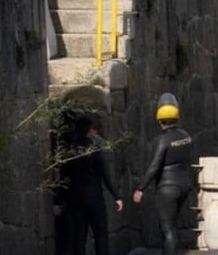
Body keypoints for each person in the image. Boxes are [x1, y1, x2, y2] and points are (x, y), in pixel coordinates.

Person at [133, 93, 193, 255]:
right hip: (184, 185)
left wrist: (140, 188)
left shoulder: (163, 140)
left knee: (167, 230)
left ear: (159, 121)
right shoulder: (186, 136)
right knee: (173, 227)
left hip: (167, 188)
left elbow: (154, 166)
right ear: (177, 117)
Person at [61, 114, 124, 255]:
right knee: (100, 236)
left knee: (79, 238)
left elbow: (64, 176)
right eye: (94, 129)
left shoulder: (70, 151)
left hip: (76, 200)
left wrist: (61, 200)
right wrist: (117, 196)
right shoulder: (94, 148)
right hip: (95, 199)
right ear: (89, 130)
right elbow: (105, 174)